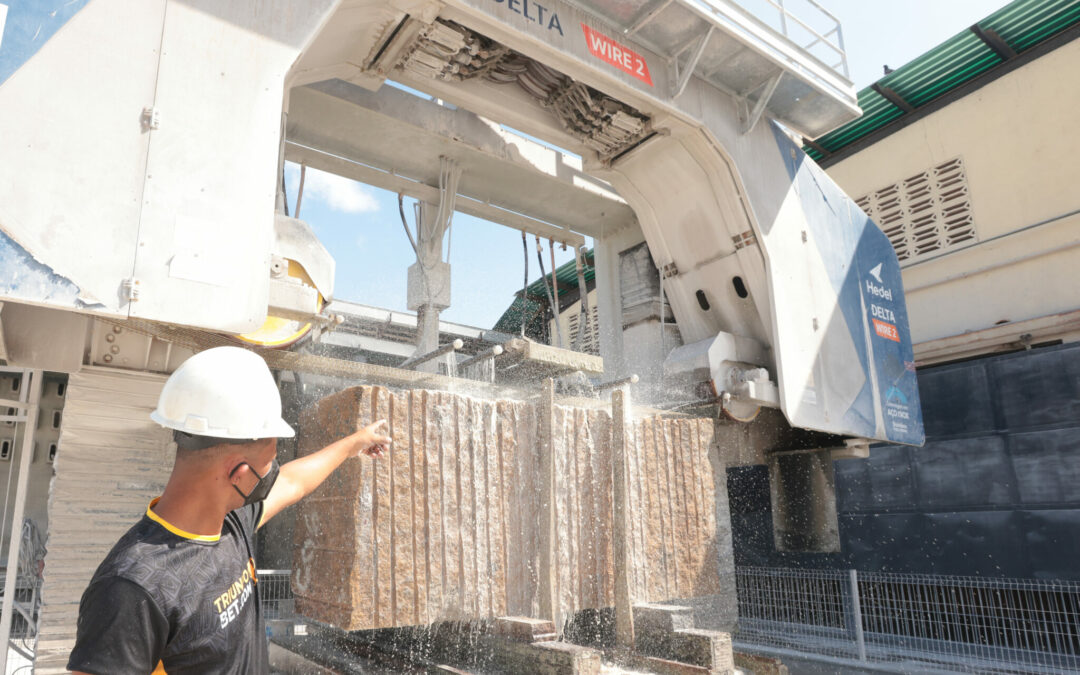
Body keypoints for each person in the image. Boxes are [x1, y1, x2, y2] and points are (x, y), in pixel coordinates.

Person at [67, 346, 391, 674]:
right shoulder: (133, 589)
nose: (273, 472)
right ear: (238, 473)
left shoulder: (230, 523)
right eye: (269, 462)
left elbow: (293, 482)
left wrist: (354, 444)